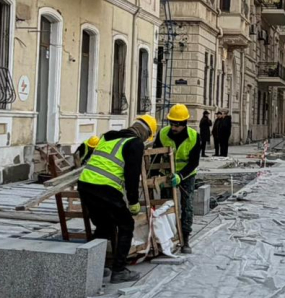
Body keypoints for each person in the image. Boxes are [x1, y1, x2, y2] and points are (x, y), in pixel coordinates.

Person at [77, 114, 158, 283]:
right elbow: (132, 176)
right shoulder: (134, 144)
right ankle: (119, 270)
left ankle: (89, 268)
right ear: (146, 134)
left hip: (85, 184)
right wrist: (134, 202)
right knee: (126, 225)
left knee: (104, 226)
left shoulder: (108, 136)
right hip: (105, 188)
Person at [157, 104, 201, 253]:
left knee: (186, 205)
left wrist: (181, 176)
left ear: (185, 123)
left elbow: (194, 162)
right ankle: (168, 238)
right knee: (166, 206)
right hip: (167, 174)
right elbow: (155, 156)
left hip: (186, 175)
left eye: (177, 125)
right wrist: (156, 176)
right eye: (172, 124)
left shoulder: (194, 137)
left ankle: (185, 238)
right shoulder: (162, 134)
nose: (174, 128)